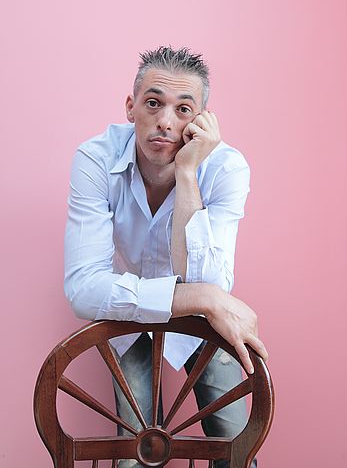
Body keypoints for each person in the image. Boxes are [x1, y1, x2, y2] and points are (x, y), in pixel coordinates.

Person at [64, 46, 267, 468]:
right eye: (153, 103)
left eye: (184, 109)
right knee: (136, 450)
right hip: (127, 315)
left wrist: (188, 173)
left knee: (234, 445)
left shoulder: (226, 168)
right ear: (130, 106)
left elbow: (207, 277)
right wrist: (204, 298)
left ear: (202, 120)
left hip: (203, 324)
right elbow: (84, 289)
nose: (166, 122)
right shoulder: (95, 159)